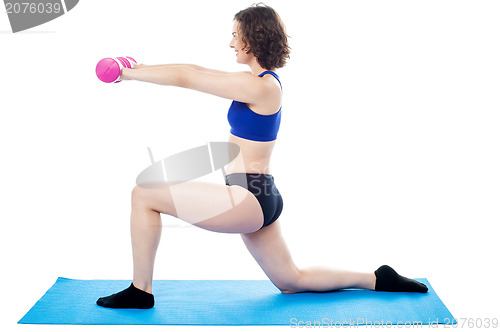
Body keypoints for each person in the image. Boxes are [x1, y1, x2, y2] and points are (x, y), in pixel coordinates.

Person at [96, 3, 427, 309]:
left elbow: (188, 79)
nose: (230, 44)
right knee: (291, 281)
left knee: (143, 195)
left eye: (235, 36)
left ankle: (141, 291)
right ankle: (376, 278)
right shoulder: (255, 81)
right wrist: (137, 66)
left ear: (252, 39)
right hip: (258, 194)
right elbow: (193, 68)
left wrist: (126, 75)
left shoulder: (263, 88)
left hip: (248, 197)